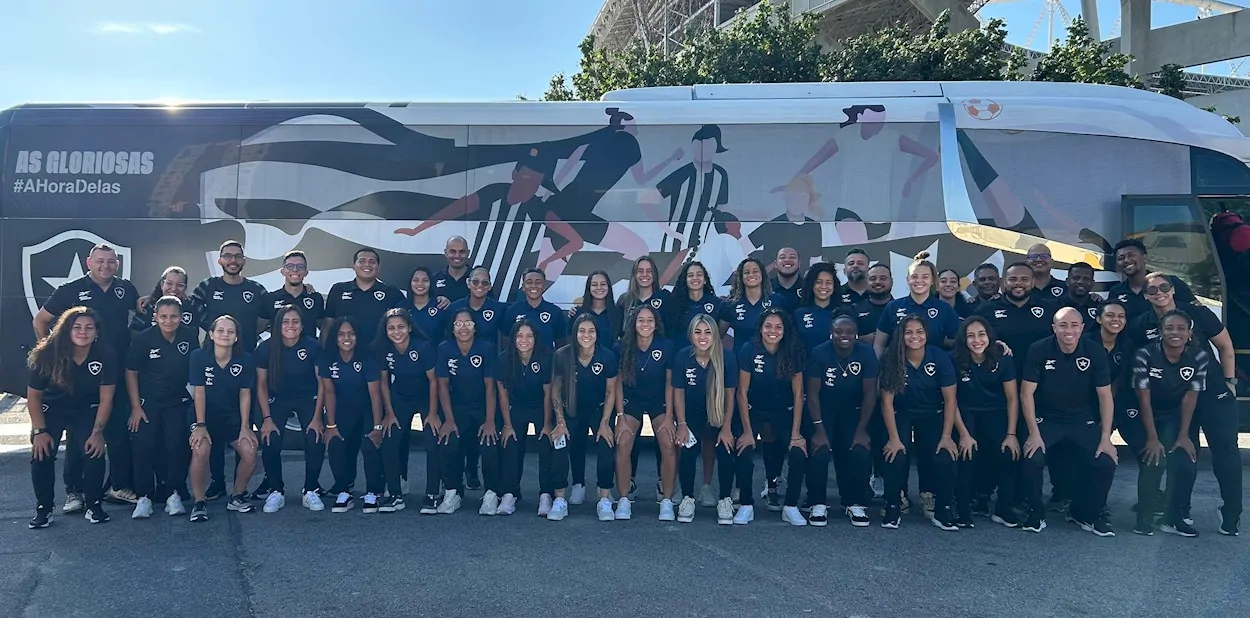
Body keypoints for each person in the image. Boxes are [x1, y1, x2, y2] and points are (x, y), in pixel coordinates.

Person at [1127, 272, 1240, 535]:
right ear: (1145, 296)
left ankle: (1232, 513)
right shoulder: (1140, 324)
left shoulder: (1197, 313)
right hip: (1175, 398)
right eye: (1152, 290)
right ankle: (1178, 512)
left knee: (1226, 451)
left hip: (1213, 392)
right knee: (1184, 453)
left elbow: (1225, 346)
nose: (1159, 293)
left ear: (1173, 289)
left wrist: (1230, 381)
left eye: (1164, 287)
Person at [33, 243, 140, 509]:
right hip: (81, 374)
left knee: (117, 429)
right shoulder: (70, 290)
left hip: (116, 370)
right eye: (100, 261)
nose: (106, 266)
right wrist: (54, 355)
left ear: (117, 264)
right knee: (78, 435)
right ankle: (75, 491)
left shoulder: (125, 289)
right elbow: (40, 320)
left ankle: (118, 486)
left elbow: (141, 312)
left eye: (111, 261)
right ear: (88, 262)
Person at [1019, 307, 1118, 536]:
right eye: (1063, 325)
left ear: (1082, 328)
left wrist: (1106, 437)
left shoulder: (1095, 351)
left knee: (1106, 461)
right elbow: (1026, 393)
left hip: (1081, 419)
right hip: (1046, 418)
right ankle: (1035, 513)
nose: (1069, 330)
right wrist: (1033, 432)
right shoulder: (1039, 349)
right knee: (1032, 457)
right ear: (1054, 328)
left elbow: (1105, 396)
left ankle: (1085, 513)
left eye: (1074, 325)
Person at [189, 240, 267, 500]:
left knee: (241, 425)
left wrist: (243, 336)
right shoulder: (208, 286)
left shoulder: (255, 289)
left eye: (237, 256)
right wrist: (216, 332)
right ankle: (217, 482)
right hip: (215, 361)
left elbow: (268, 315)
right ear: (220, 260)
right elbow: (190, 307)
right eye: (228, 256)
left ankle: (238, 487)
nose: (233, 260)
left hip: (244, 364)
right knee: (214, 428)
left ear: (243, 260)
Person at [27, 307, 115, 528]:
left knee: (94, 449)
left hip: (85, 408)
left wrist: (98, 433)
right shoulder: (47, 353)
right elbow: (34, 396)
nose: (83, 332)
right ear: (67, 330)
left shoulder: (105, 354)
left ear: (97, 331)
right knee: (41, 453)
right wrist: (39, 431)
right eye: (77, 327)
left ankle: (94, 505)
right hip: (52, 408)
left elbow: (106, 398)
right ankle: (44, 509)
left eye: (89, 327)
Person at [877, 315, 961, 530]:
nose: (914, 336)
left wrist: (946, 436)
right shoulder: (891, 358)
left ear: (927, 334)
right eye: (909, 332)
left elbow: (950, 399)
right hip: (902, 412)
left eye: (919, 331)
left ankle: (942, 508)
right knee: (895, 454)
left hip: (933, 413)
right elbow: (887, 402)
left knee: (944, 454)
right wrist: (894, 438)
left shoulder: (939, 357)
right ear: (901, 335)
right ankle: (893, 505)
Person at [1128, 309, 1206, 537]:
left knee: (1185, 461)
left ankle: (1173, 518)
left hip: (1174, 415)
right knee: (1154, 459)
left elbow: (1190, 397)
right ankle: (1144, 518)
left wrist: (1183, 435)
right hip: (1145, 413)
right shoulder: (1144, 354)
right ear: (1160, 332)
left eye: (1181, 328)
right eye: (1169, 328)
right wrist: (1153, 438)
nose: (1175, 332)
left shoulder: (1199, 357)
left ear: (1189, 333)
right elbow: (1144, 398)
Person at [125, 296, 199, 519]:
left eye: (174, 316)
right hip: (148, 403)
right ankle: (144, 497)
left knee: (176, 447)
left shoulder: (190, 335)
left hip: (177, 401)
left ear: (181, 317)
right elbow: (131, 372)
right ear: (155, 317)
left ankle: (173, 494)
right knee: (144, 448)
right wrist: (135, 407)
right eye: (164, 316)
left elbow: (195, 368)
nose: (169, 321)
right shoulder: (143, 338)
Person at [804, 313, 877, 527]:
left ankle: (854, 502)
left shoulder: (866, 353)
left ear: (856, 334)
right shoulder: (819, 352)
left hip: (854, 411)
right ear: (831, 333)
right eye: (838, 331)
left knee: (858, 450)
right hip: (823, 410)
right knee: (819, 450)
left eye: (849, 332)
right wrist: (819, 429)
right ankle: (817, 502)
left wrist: (862, 429)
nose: (844, 335)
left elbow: (870, 394)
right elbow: (813, 394)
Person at [254, 306, 327, 512]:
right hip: (277, 398)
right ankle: (276, 491)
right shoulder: (266, 348)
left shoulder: (312, 346)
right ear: (278, 325)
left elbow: (322, 383)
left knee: (315, 437)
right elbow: (261, 385)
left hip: (307, 397)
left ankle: (310, 489)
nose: (290, 325)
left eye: (295, 321)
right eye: (285, 321)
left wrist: (317, 417)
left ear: (302, 325)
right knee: (270, 438)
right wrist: (266, 418)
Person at [737, 308, 807, 522]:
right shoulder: (749, 349)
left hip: (783, 412)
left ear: (785, 330)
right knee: (744, 449)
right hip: (755, 410)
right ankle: (746, 504)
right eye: (768, 326)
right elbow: (742, 392)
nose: (773, 331)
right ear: (760, 328)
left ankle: (791, 506)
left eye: (778, 327)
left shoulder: (792, 351)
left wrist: (796, 433)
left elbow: (798, 394)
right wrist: (747, 431)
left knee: (798, 452)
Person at [187, 316, 260, 522]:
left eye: (230, 331)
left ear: (236, 337)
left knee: (250, 452)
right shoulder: (198, 357)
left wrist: (245, 426)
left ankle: (237, 496)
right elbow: (199, 392)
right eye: (220, 331)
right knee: (200, 450)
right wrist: (201, 425)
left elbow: (245, 394)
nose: (225, 335)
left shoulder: (245, 359)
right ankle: (199, 502)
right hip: (204, 416)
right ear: (211, 334)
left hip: (231, 417)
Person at [951, 317, 1021, 528]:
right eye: (970, 336)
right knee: (967, 453)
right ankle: (963, 510)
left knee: (1008, 452)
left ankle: (1003, 508)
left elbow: (1012, 398)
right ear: (963, 339)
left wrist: (1011, 434)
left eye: (981, 334)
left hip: (996, 412)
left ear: (989, 336)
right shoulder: (954, 360)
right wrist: (964, 434)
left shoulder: (1002, 357)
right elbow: (951, 400)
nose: (977, 340)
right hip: (965, 413)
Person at [610, 305, 676, 520]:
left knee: (668, 442)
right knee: (623, 442)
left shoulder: (666, 346)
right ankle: (624, 498)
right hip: (632, 399)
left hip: (658, 399)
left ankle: (666, 500)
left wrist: (669, 417)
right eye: (640, 320)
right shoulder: (621, 347)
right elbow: (617, 384)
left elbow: (670, 384)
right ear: (633, 324)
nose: (645, 324)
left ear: (656, 324)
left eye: (649, 320)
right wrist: (620, 417)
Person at [671, 314, 738, 524]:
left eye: (708, 332)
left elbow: (731, 395)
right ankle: (688, 498)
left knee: (726, 448)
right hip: (692, 415)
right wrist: (682, 424)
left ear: (715, 335)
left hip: (718, 414)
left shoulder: (727, 358)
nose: (703, 337)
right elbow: (678, 393)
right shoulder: (682, 357)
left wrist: (727, 427)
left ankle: (725, 499)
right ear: (691, 334)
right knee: (687, 448)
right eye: (698, 332)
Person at [445, 267, 508, 491]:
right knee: (461, 434)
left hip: (488, 377)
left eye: (484, 283)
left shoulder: (499, 309)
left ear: (490, 286)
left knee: (487, 432)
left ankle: (493, 485)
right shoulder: (454, 308)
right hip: (462, 380)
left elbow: (509, 336)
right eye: (476, 282)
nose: (480, 286)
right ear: (468, 283)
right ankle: (466, 473)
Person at [552, 314, 619, 511]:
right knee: (561, 444)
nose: (586, 335)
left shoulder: (607, 356)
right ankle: (562, 497)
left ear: (597, 334)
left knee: (606, 445)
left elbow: (611, 391)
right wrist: (560, 422)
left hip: (599, 410)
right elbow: (556, 391)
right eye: (581, 331)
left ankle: (604, 496)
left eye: (591, 331)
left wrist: (605, 422)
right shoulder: (562, 355)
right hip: (571, 409)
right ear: (575, 333)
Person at [318, 317, 385, 514]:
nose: (346, 338)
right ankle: (343, 489)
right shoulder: (328, 359)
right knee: (335, 442)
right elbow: (329, 392)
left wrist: (377, 427)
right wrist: (331, 425)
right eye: (341, 334)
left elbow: (375, 394)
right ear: (334, 337)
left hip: (367, 409)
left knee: (369, 444)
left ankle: (373, 491)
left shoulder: (367, 359)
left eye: (351, 334)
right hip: (343, 410)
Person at [376, 308, 440, 513]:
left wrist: (432, 413)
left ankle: (432, 494)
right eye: (391, 328)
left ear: (410, 328)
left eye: (401, 327)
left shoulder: (423, 347)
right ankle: (395, 494)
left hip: (425, 397)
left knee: (432, 440)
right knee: (389, 440)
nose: (396, 332)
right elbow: (384, 382)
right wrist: (389, 413)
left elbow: (434, 381)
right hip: (400, 397)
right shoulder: (384, 349)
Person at [435, 309, 498, 515]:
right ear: (452, 328)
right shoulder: (445, 348)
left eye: (468, 323)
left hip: (482, 408)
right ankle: (453, 492)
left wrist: (490, 420)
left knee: (489, 445)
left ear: (475, 327)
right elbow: (442, 386)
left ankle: (491, 493)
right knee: (448, 443)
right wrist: (449, 420)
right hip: (457, 409)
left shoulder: (486, 348)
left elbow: (490, 387)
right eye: (458, 323)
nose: (463, 328)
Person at [494, 320, 560, 518]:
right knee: (510, 443)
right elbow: (503, 395)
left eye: (529, 336)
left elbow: (548, 394)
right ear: (513, 338)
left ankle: (546, 494)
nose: (524, 340)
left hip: (540, 406)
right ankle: (510, 493)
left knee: (546, 443)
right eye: (519, 336)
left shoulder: (546, 358)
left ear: (535, 338)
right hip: (516, 406)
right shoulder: (503, 359)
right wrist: (507, 425)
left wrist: (547, 424)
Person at [974, 262, 1056, 376]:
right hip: (999, 377)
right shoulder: (985, 310)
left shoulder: (1050, 309)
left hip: (1041, 377)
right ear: (1004, 282)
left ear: (1033, 282)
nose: (1018, 283)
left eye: (1024, 279)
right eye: (1013, 279)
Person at [874, 252, 960, 357]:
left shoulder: (944, 309)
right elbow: (879, 345)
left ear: (932, 280)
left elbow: (960, 341)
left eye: (925, 277)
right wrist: (877, 365)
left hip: (934, 365)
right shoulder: (893, 307)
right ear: (907, 280)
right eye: (914, 276)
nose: (919, 281)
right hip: (898, 365)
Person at [324, 247, 404, 346]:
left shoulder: (392, 293)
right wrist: (323, 352)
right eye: (362, 261)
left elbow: (404, 327)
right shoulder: (338, 290)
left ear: (378, 267)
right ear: (353, 265)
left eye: (372, 262)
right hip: (345, 353)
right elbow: (327, 326)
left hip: (380, 353)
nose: (367, 265)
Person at [1107, 238, 1196, 321]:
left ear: (1145, 258)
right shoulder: (1116, 291)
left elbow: (1196, 312)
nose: (1126, 260)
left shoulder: (1171, 282)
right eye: (1121, 258)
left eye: (1131, 255)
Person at [719, 257, 784, 352]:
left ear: (762, 275)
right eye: (747, 272)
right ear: (741, 277)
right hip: (740, 358)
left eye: (755, 271)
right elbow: (718, 337)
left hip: (770, 358)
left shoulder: (777, 301)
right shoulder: (730, 304)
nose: (751, 275)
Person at [261, 251, 324, 342]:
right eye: (290, 266)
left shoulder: (316, 298)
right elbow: (259, 327)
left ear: (306, 272)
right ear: (282, 271)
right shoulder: (270, 298)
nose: (295, 270)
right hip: (278, 350)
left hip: (308, 351)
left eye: (300, 266)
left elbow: (325, 328)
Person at [504, 269, 568, 351]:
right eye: (529, 282)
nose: (533, 285)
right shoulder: (512, 311)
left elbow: (561, 343)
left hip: (547, 359)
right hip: (518, 359)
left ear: (544, 286)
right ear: (523, 287)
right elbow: (506, 341)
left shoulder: (555, 311)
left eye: (538, 282)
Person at [133, 266, 201, 335]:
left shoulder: (191, 308)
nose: (174, 289)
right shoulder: (148, 306)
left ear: (185, 288)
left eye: (180, 285)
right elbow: (134, 333)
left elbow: (193, 337)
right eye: (169, 283)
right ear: (162, 285)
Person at [568, 270, 623, 347]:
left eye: (603, 284)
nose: (599, 288)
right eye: (594, 285)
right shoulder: (578, 313)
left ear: (608, 287)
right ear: (589, 288)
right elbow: (570, 341)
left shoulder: (618, 314)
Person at [794, 263, 840, 355]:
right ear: (811, 284)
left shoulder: (842, 313)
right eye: (818, 282)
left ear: (834, 286)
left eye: (828, 282)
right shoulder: (799, 314)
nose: (823, 286)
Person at [405, 266, 449, 344]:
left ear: (431, 283)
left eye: (425, 280)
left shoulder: (440, 306)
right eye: (416, 280)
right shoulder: (402, 307)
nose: (420, 284)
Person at [1060, 262, 1101, 334]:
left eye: (1086, 279)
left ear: (1092, 284)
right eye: (1076, 278)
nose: (1081, 282)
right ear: (1067, 281)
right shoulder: (1053, 306)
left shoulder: (1100, 308)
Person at [432, 236, 473, 307]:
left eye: (462, 252)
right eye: (453, 251)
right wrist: (435, 300)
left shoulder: (478, 280)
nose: (457, 256)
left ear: (468, 253)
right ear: (446, 253)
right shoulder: (434, 279)